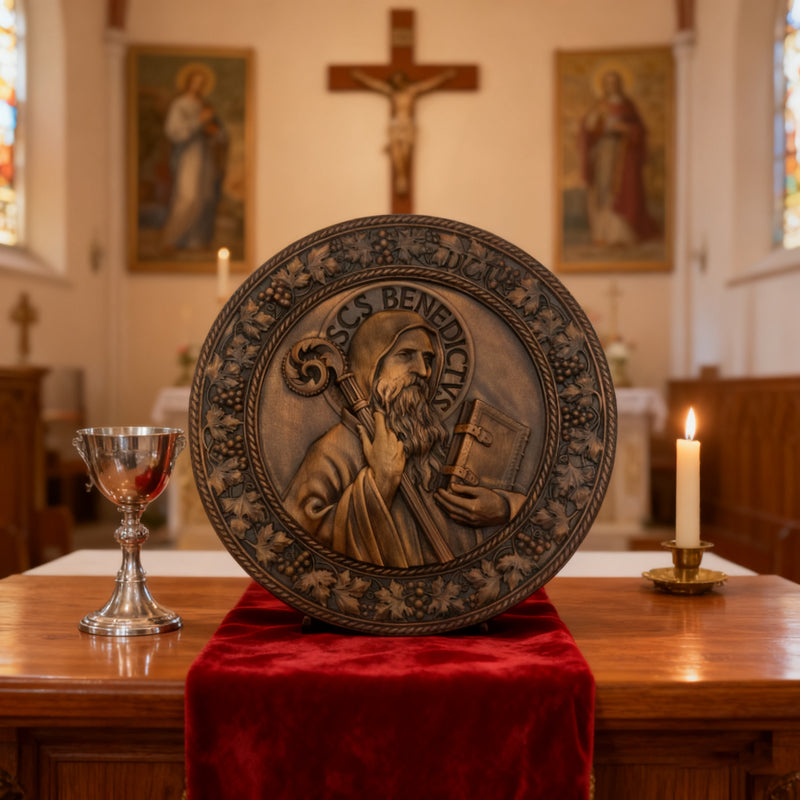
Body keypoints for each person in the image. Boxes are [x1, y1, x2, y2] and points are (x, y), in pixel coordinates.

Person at [283, 310, 523, 567]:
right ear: (371, 366)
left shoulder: (432, 441)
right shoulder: (334, 450)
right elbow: (292, 543)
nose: (423, 371)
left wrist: (506, 507)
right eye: (405, 355)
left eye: (428, 359)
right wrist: (379, 482)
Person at [579, 70, 658, 247]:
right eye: (607, 82)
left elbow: (639, 131)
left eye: (614, 82)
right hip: (603, 153)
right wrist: (594, 124)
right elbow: (588, 131)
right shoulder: (599, 106)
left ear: (620, 84)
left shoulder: (628, 107)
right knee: (602, 191)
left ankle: (621, 236)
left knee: (621, 191)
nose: (610, 85)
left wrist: (625, 128)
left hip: (623, 155)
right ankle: (602, 233)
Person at [350, 68, 457, 196]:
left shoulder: (412, 91)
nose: (397, 83)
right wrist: (361, 77)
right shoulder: (392, 93)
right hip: (396, 125)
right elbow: (375, 85)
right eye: (395, 81)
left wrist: (444, 76)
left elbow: (429, 84)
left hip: (407, 124)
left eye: (399, 80)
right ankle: (401, 178)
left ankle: (403, 176)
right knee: (396, 152)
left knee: (405, 153)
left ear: (404, 80)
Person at [160, 65, 228, 252]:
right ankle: (172, 239)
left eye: (201, 84)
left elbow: (219, 133)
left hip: (205, 156)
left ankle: (196, 241)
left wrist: (214, 132)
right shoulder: (180, 105)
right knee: (188, 197)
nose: (198, 87)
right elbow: (174, 131)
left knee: (204, 197)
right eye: (195, 82)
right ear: (188, 83)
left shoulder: (205, 107)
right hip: (188, 156)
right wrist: (199, 121)